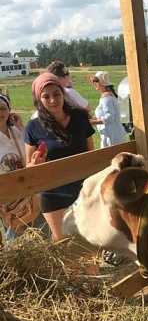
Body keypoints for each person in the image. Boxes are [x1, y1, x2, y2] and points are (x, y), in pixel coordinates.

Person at [25, 73, 95, 241]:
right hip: (53, 195)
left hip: (83, 191)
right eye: (46, 96)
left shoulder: (80, 118)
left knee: (90, 247)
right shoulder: (33, 127)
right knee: (67, 249)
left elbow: (92, 154)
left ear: (63, 92)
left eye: (56, 94)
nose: (52, 100)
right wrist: (35, 164)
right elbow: (28, 166)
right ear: (38, 100)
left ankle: (94, 270)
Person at [0, 93, 48, 242]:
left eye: (2, 108)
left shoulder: (18, 132)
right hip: (8, 198)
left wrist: (21, 126)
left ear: (9, 111)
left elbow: (31, 151)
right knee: (16, 239)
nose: (0, 113)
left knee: (42, 234)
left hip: (29, 192)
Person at [89, 71, 127, 148]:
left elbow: (110, 117)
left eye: (96, 81)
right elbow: (105, 115)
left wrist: (93, 122)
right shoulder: (109, 95)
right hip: (112, 134)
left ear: (103, 83)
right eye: (93, 81)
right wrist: (91, 119)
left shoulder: (106, 97)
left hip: (112, 135)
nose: (94, 83)